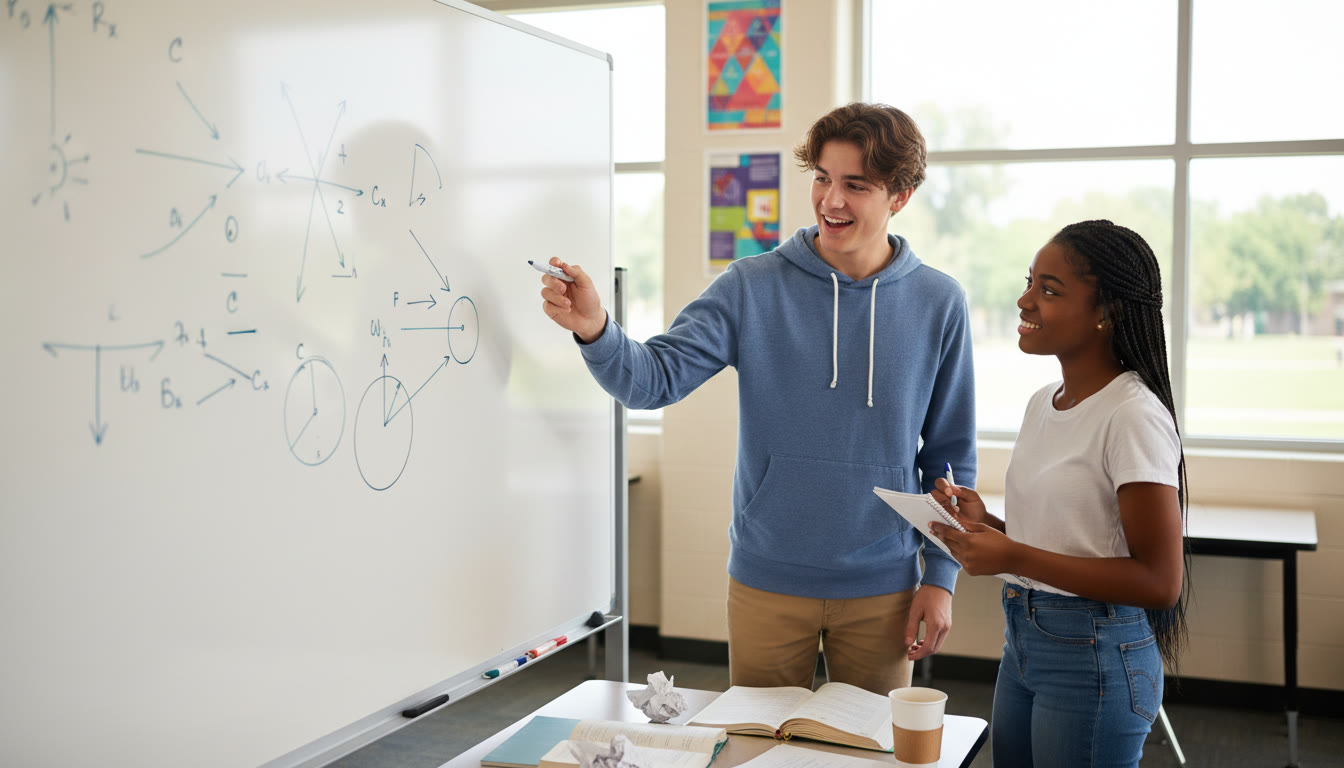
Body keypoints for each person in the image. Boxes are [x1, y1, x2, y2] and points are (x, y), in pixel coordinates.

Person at [536, 103, 976, 695]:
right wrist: (595, 329)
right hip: (767, 579)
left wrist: (940, 576)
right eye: (822, 177)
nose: (831, 201)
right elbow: (653, 381)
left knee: (869, 756)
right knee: (759, 750)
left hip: (884, 583)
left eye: (856, 185)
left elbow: (948, 456)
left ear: (900, 195)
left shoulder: (939, 302)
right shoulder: (752, 285)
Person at [929, 220, 1189, 767]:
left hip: (1093, 652)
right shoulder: (1043, 402)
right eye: (1030, 282)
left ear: (1106, 312)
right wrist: (993, 528)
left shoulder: (1132, 415)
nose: (1025, 300)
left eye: (1049, 290)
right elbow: (1075, 540)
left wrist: (1014, 554)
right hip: (1024, 640)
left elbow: (1160, 582)